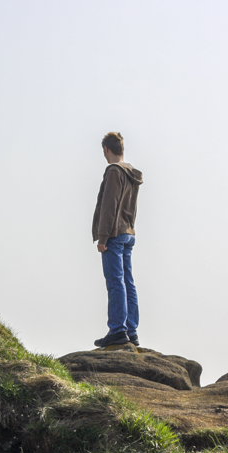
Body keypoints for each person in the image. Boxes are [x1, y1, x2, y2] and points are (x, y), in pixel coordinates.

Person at [91, 132, 143, 348]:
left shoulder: (114, 171)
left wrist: (102, 237)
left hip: (113, 234)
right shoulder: (132, 174)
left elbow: (109, 206)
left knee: (115, 283)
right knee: (127, 282)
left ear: (106, 150)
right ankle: (131, 330)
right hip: (128, 232)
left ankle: (118, 330)